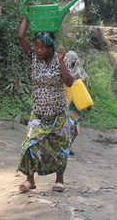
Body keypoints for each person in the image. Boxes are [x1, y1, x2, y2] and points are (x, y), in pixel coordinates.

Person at [16, 17, 74, 193]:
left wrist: (62, 61)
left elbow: (69, 82)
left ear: (51, 48)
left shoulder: (59, 60)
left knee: (59, 147)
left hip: (57, 114)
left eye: (42, 47)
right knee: (29, 143)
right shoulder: (33, 57)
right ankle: (30, 180)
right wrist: (27, 16)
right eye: (37, 46)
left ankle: (59, 180)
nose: (38, 50)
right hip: (39, 114)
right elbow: (20, 37)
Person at [64, 50, 89, 150]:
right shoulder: (63, 68)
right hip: (66, 103)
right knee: (68, 125)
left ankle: (67, 147)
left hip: (76, 103)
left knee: (73, 126)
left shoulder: (78, 71)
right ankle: (65, 147)